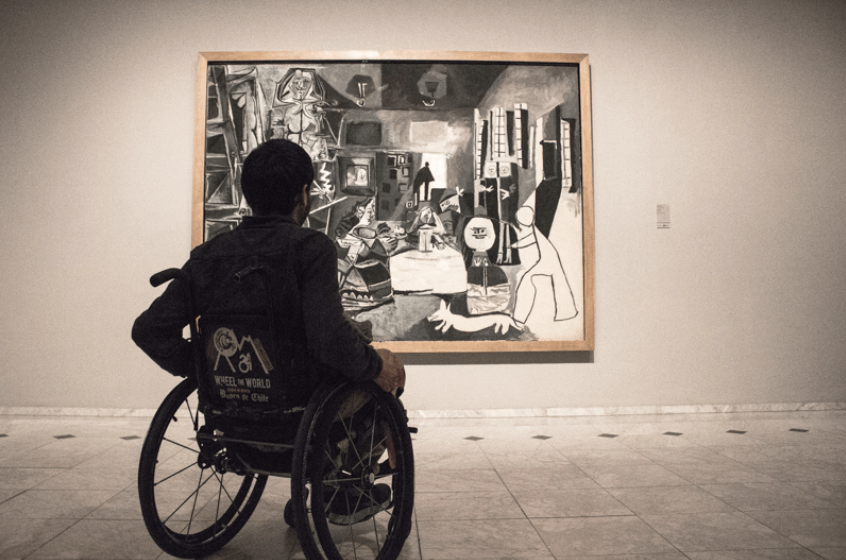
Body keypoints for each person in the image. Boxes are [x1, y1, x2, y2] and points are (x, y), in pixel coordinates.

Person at [132, 139, 405, 518]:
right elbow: (328, 338)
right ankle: (346, 486)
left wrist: (207, 368)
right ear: (304, 194)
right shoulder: (311, 247)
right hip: (298, 410)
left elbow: (148, 331)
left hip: (230, 410)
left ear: (249, 195)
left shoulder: (210, 256)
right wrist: (378, 366)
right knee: (388, 367)